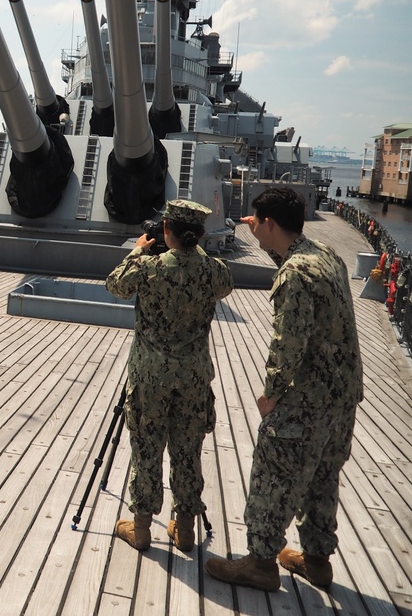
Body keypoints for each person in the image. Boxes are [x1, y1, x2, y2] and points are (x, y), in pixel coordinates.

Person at [206, 187, 363, 591]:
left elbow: (288, 342)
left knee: (274, 476)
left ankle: (260, 563)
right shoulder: (325, 255)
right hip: (342, 397)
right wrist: (263, 235)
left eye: (256, 221)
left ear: (270, 223)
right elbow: (293, 261)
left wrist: (271, 394)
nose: (252, 225)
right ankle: (317, 561)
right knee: (322, 479)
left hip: (306, 399)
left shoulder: (293, 276)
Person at [105, 199, 234, 552]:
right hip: (193, 377)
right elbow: (222, 283)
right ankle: (185, 527)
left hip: (150, 378)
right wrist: (197, 254)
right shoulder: (215, 271)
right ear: (201, 235)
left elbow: (114, 285)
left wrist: (137, 251)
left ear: (166, 230)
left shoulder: (148, 268)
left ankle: (143, 528)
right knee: (188, 451)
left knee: (147, 450)